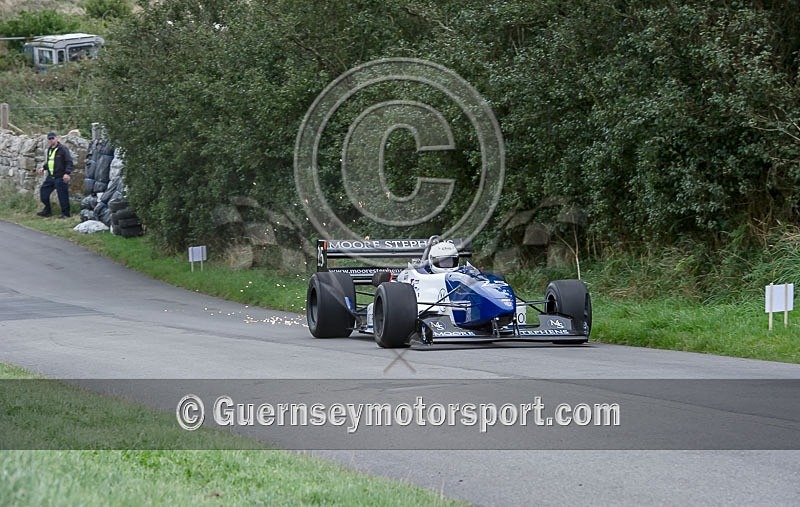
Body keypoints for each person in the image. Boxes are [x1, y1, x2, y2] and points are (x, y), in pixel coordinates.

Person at [36, 132, 73, 218]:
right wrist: (44, 168)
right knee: (43, 193)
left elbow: (69, 162)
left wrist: (67, 173)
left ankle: (66, 214)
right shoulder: (50, 149)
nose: (51, 140)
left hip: (60, 177)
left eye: (53, 138)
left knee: (63, 197)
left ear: (56, 138)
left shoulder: (63, 149)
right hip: (51, 177)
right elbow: (50, 162)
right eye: (49, 139)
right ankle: (47, 210)